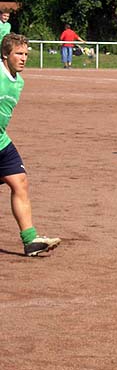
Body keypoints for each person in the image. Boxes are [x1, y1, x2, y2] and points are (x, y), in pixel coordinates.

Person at [0, 33, 61, 256]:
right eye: (19, 53)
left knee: (20, 182)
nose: (24, 58)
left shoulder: (19, 82)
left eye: (26, 54)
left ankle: (30, 240)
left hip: (1, 141)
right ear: (6, 54)